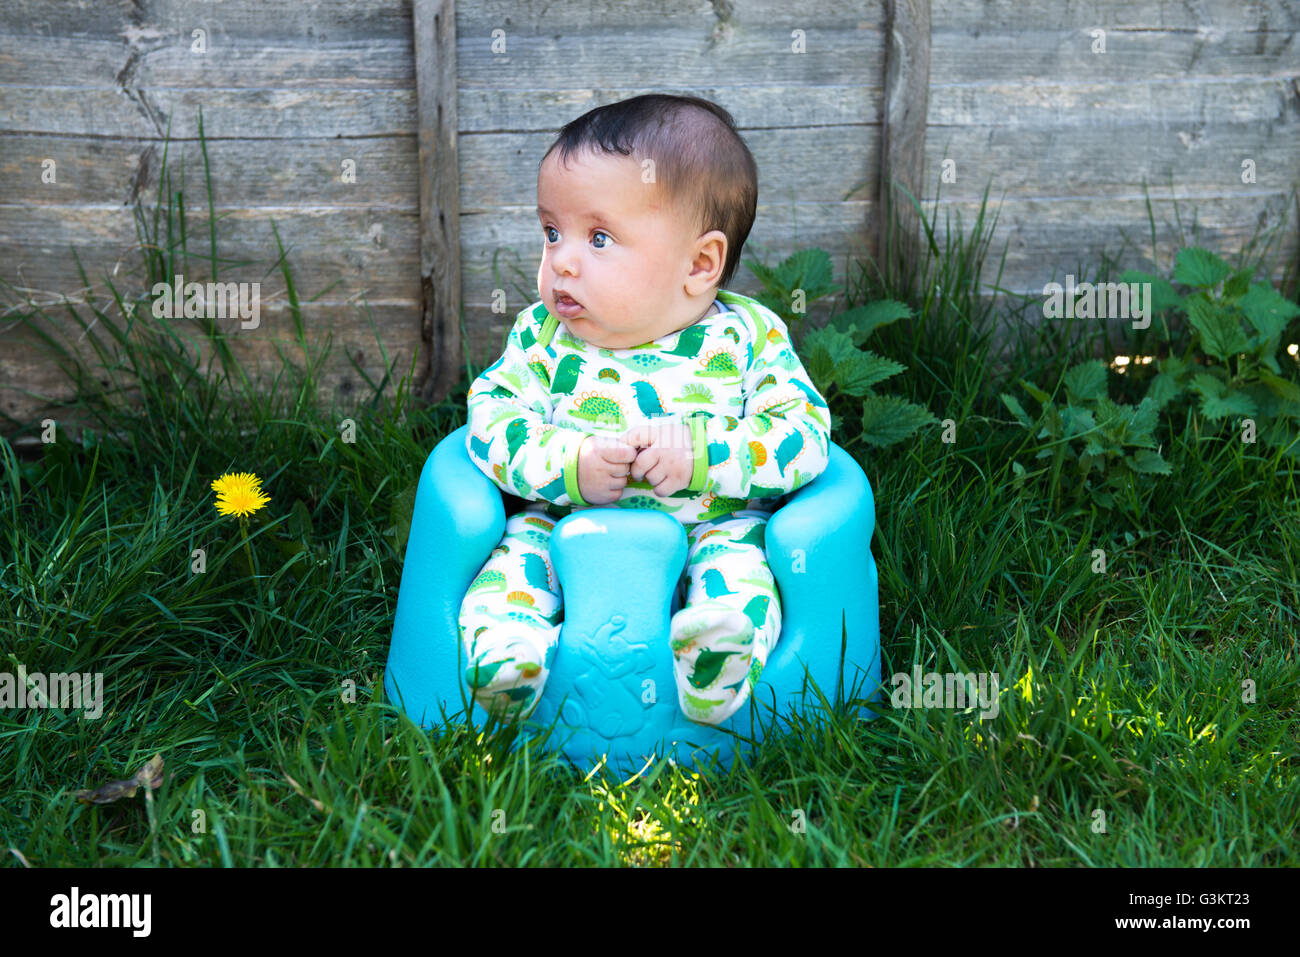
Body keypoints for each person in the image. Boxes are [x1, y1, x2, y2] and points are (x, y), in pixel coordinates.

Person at [460, 93, 831, 726]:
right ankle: (508, 660)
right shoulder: (541, 336)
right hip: (563, 524)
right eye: (552, 231)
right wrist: (568, 463)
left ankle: (716, 661)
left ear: (699, 263)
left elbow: (803, 436)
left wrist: (709, 457)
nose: (562, 260)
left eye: (598, 237)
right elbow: (491, 419)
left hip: (713, 524)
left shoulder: (749, 338)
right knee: (512, 568)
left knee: (742, 575)